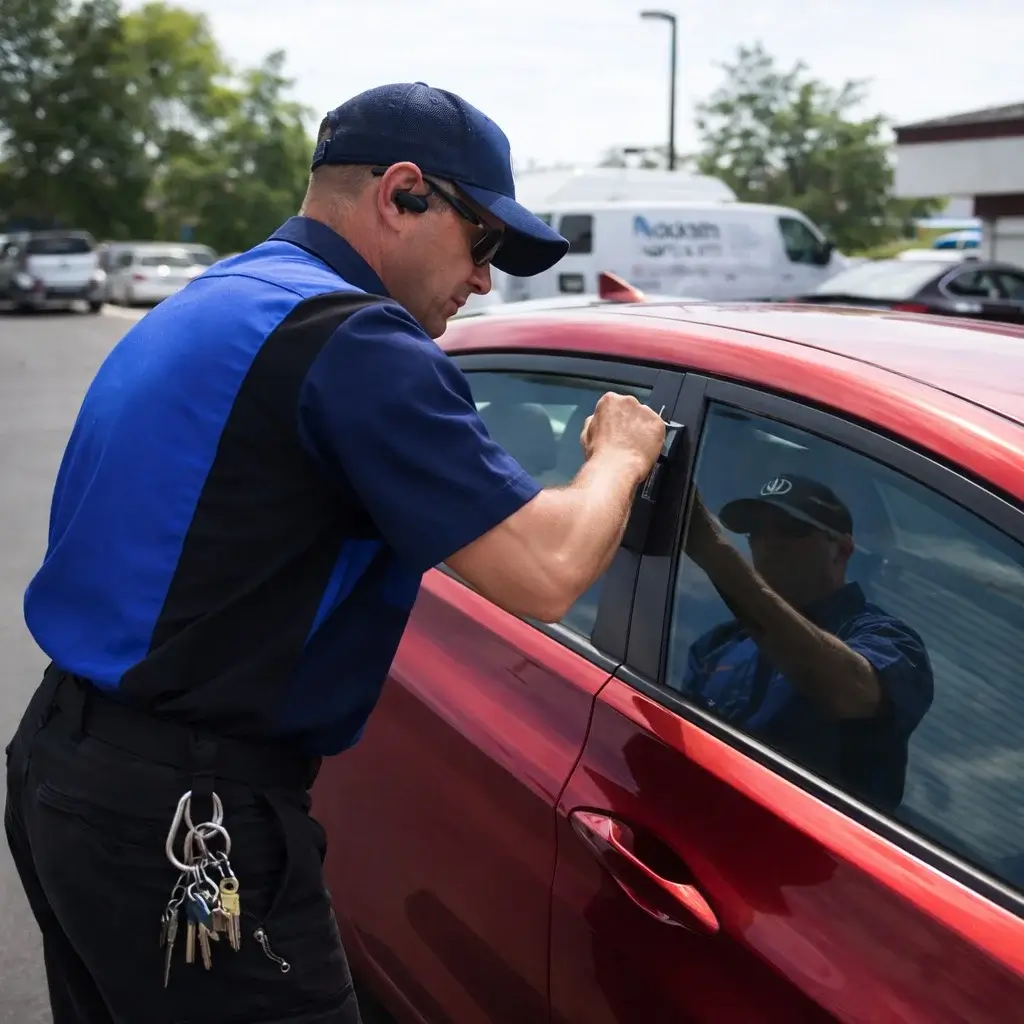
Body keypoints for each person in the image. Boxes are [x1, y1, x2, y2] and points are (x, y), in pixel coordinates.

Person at [4, 82, 666, 1024]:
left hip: (61, 769)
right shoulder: (356, 341)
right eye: (482, 243)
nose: (485, 282)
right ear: (402, 194)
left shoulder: (221, 297)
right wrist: (621, 456)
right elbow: (546, 570)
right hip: (190, 814)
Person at [680, 473, 933, 811]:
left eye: (789, 528)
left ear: (841, 550)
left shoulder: (888, 641)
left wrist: (714, 553)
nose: (768, 543)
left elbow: (850, 691)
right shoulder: (720, 644)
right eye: (756, 530)